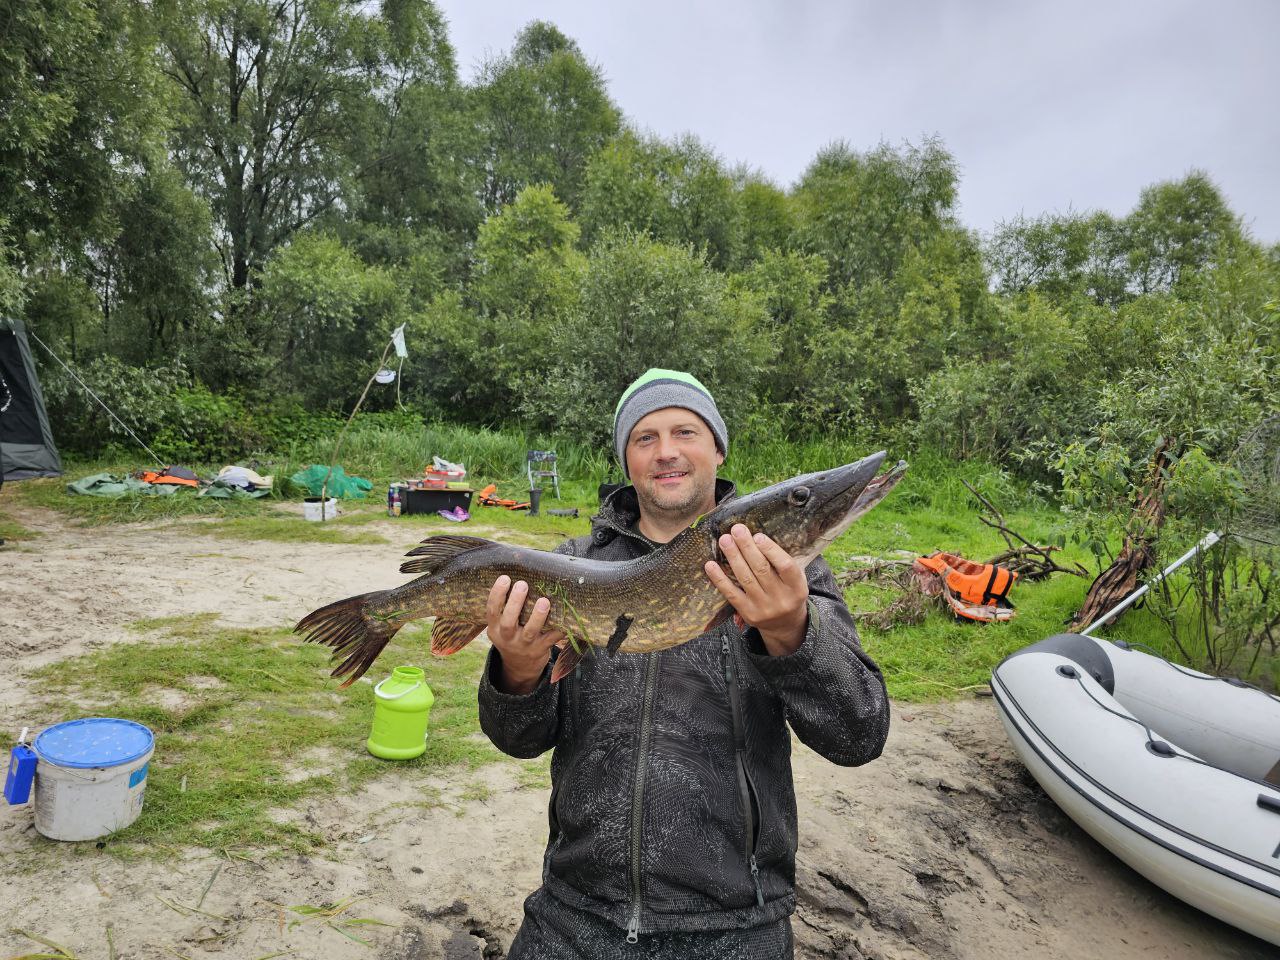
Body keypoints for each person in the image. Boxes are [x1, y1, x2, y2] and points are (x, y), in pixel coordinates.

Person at [478, 369, 890, 959]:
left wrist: (790, 632)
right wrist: (517, 671)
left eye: (685, 431)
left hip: (738, 926)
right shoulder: (569, 567)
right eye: (644, 437)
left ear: (717, 448)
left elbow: (859, 734)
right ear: (626, 460)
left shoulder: (790, 579)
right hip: (574, 914)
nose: (666, 451)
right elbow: (516, 739)